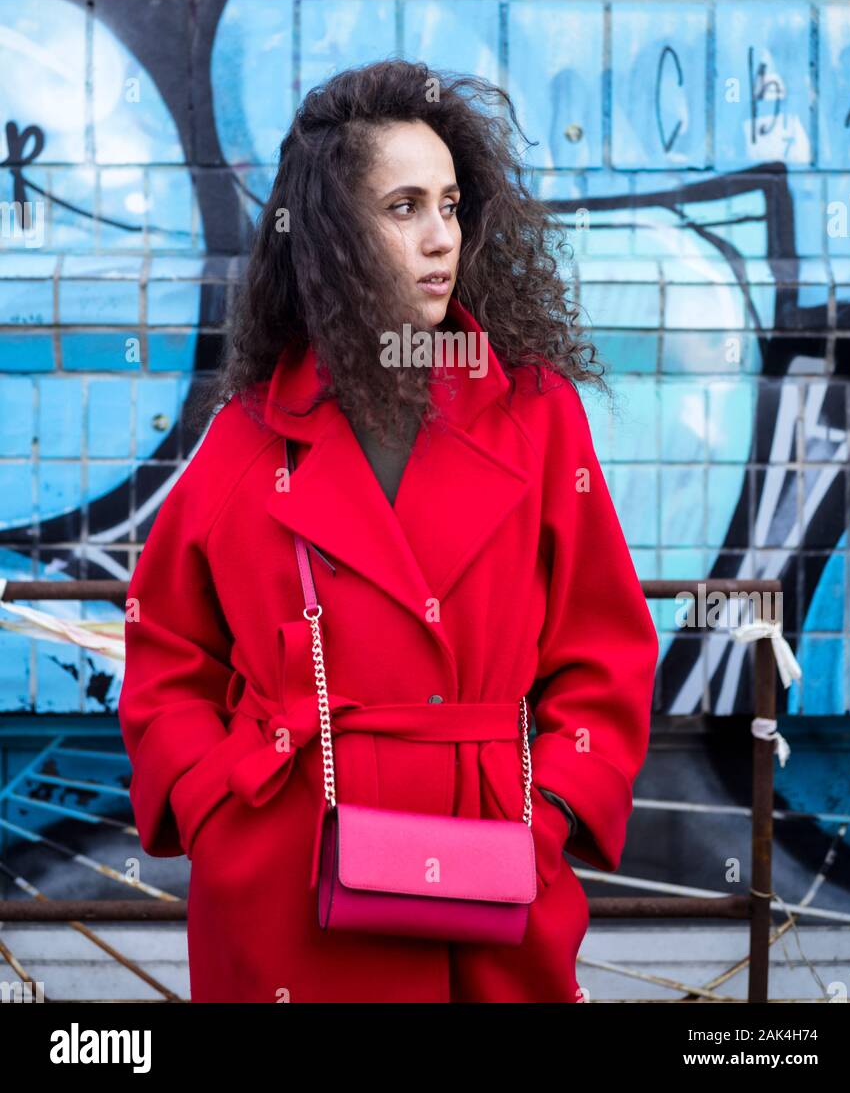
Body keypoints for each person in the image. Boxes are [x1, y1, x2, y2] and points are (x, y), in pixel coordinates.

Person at [118, 59, 659, 1004]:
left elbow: (605, 646)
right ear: (329, 235)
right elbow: (166, 649)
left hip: (493, 872)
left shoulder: (537, 415)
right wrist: (219, 811)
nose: (440, 236)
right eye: (403, 207)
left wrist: (549, 817)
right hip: (293, 886)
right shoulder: (250, 431)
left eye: (450, 204)